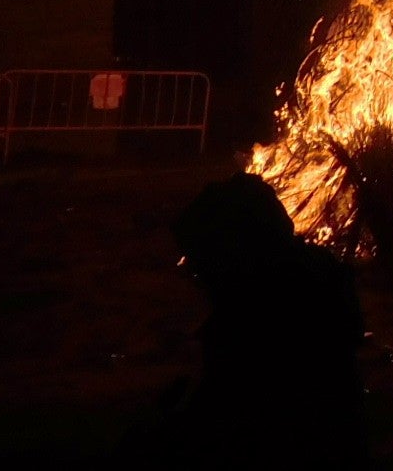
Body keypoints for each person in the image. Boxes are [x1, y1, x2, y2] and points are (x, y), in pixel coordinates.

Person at [129, 173, 365, 467]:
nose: (199, 279)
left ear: (232, 251)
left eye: (200, 263)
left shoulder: (257, 317)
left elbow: (228, 420)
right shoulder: (318, 283)